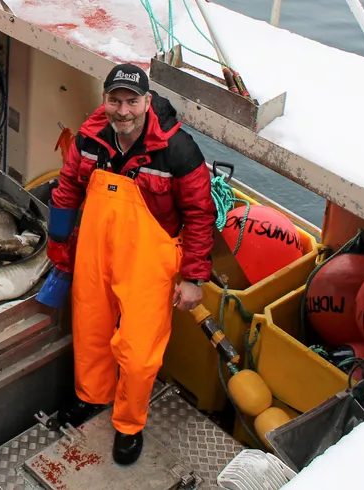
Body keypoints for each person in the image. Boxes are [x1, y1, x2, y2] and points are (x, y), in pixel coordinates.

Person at [37, 63, 217, 465]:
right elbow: (66, 190)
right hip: (95, 251)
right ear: (105, 101)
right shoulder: (89, 137)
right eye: (115, 100)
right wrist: (60, 247)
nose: (123, 110)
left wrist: (193, 277)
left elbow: (201, 214)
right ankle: (91, 397)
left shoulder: (179, 149)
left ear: (147, 102)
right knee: (91, 333)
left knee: (138, 354)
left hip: (149, 262)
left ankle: (129, 425)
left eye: (131, 101)